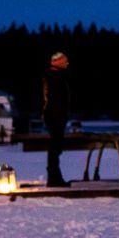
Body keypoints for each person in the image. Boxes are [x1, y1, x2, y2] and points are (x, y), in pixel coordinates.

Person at [42, 52, 73, 187]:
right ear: (58, 62)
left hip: (55, 115)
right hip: (55, 116)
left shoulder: (53, 76)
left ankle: (54, 177)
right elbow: (55, 98)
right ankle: (54, 178)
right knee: (55, 146)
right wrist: (59, 114)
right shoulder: (54, 77)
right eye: (65, 61)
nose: (67, 63)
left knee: (55, 147)